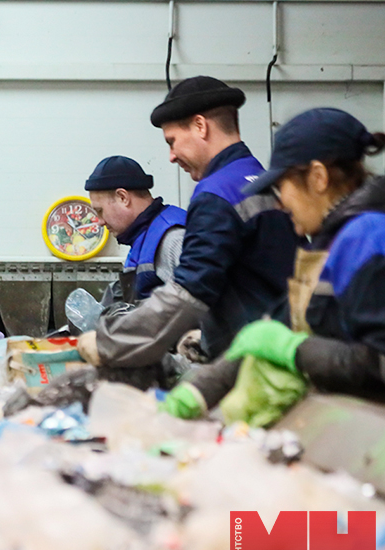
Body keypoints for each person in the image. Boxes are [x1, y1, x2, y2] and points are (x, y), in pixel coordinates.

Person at [161, 108, 385, 419]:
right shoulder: (324, 245)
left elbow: (379, 363)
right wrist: (200, 390)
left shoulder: (368, 237)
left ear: (318, 178)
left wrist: (294, 350)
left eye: (282, 188)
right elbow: (273, 330)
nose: (279, 203)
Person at [77, 76, 300, 367]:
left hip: (255, 362)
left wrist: (113, 342)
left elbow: (190, 290)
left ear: (200, 126)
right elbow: (253, 280)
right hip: (283, 346)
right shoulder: (258, 179)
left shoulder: (216, 193)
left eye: (172, 142)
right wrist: (206, 338)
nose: (171, 157)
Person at [84, 155, 186, 305]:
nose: (99, 222)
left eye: (100, 211)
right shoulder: (143, 239)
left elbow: (200, 307)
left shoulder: (173, 239)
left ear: (123, 197)